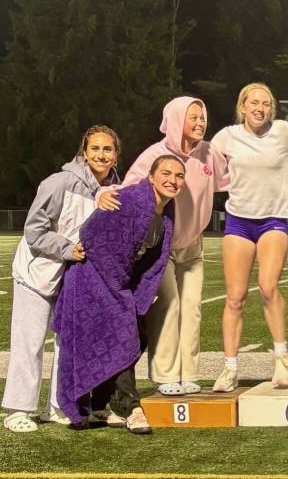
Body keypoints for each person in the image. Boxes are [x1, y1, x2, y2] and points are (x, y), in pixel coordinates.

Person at [97, 97, 230, 397]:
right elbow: (128, 188)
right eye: (192, 117)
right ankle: (166, 373)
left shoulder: (209, 153)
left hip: (194, 243)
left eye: (202, 117)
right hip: (163, 244)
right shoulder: (154, 155)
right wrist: (102, 193)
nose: (200, 123)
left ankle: (188, 373)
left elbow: (230, 180)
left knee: (192, 308)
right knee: (169, 305)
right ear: (175, 119)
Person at [52, 155, 186, 433]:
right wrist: (118, 286)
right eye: (166, 173)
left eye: (179, 176)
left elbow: (150, 261)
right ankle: (131, 407)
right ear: (151, 176)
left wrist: (136, 292)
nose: (172, 180)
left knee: (137, 335)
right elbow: (91, 233)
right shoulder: (130, 200)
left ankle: (101, 404)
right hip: (91, 278)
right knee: (123, 336)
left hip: (116, 282)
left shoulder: (166, 211)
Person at [2, 127, 121, 433]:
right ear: (83, 152)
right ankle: (18, 409)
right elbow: (34, 231)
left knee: (66, 344)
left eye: (107, 149)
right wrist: (68, 249)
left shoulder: (115, 189)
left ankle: (57, 406)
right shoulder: (59, 183)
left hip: (73, 278)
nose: (101, 155)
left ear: (116, 155)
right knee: (30, 342)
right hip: (37, 272)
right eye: (95, 148)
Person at [210, 83, 288, 392]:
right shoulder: (227, 136)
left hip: (273, 219)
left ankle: (282, 360)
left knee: (268, 286)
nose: (260, 108)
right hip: (238, 222)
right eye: (254, 103)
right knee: (234, 297)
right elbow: (203, 166)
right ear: (243, 107)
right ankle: (229, 368)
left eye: (266, 103)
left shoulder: (284, 131)